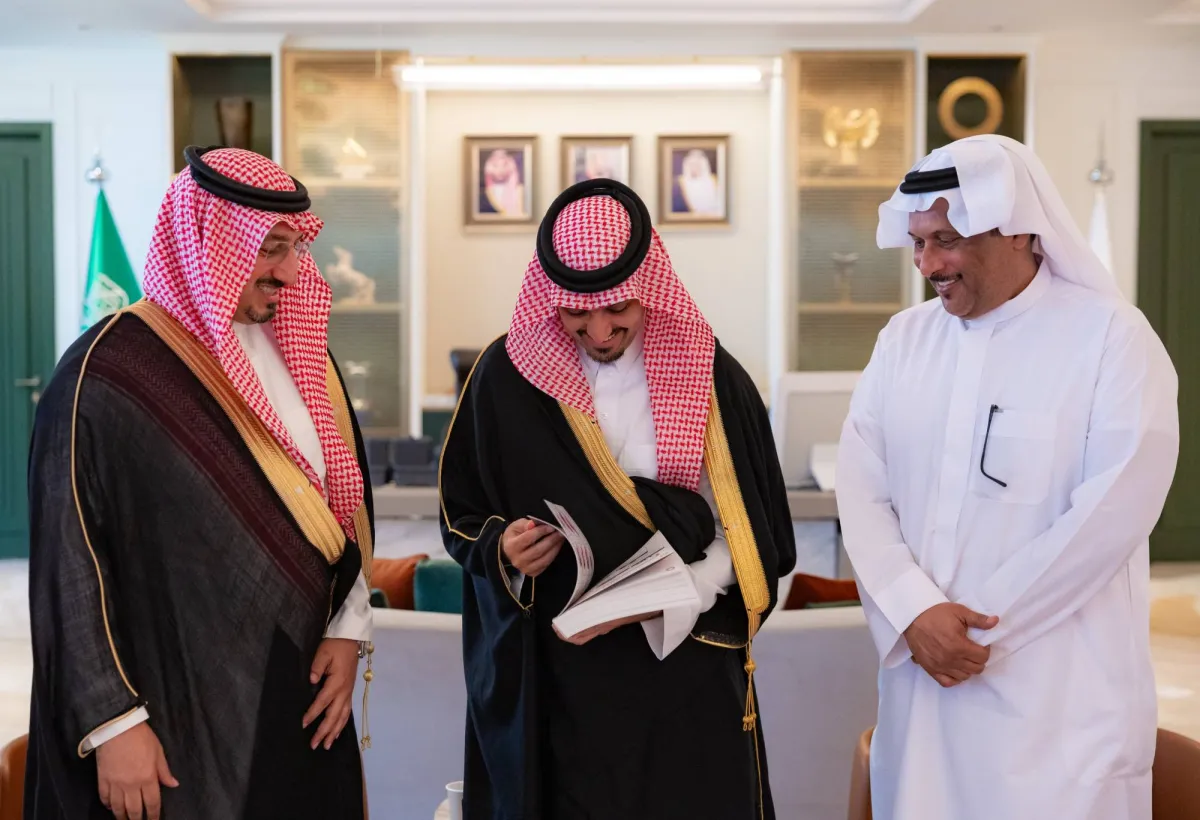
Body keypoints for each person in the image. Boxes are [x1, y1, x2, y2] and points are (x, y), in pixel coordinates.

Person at [25, 146, 376, 820]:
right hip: (165, 708)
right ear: (212, 242)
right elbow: (69, 565)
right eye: (271, 248)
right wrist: (113, 721)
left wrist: (347, 625)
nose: (291, 272)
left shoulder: (305, 355)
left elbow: (341, 507)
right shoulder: (109, 373)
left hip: (298, 693)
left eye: (297, 247)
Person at [837, 134, 1179, 820]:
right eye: (918, 243)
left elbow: (1111, 512)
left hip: (1058, 703)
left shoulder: (1111, 337)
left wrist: (973, 633)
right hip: (926, 693)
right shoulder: (903, 341)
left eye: (947, 240)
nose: (928, 264)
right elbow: (861, 484)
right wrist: (913, 610)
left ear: (1019, 228)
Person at [439, 178, 796, 820]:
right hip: (556, 676)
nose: (599, 332)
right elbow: (459, 514)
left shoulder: (712, 378)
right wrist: (503, 549)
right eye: (576, 315)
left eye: (617, 311)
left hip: (679, 665)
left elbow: (746, 538)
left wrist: (673, 597)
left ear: (648, 289)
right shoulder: (504, 379)